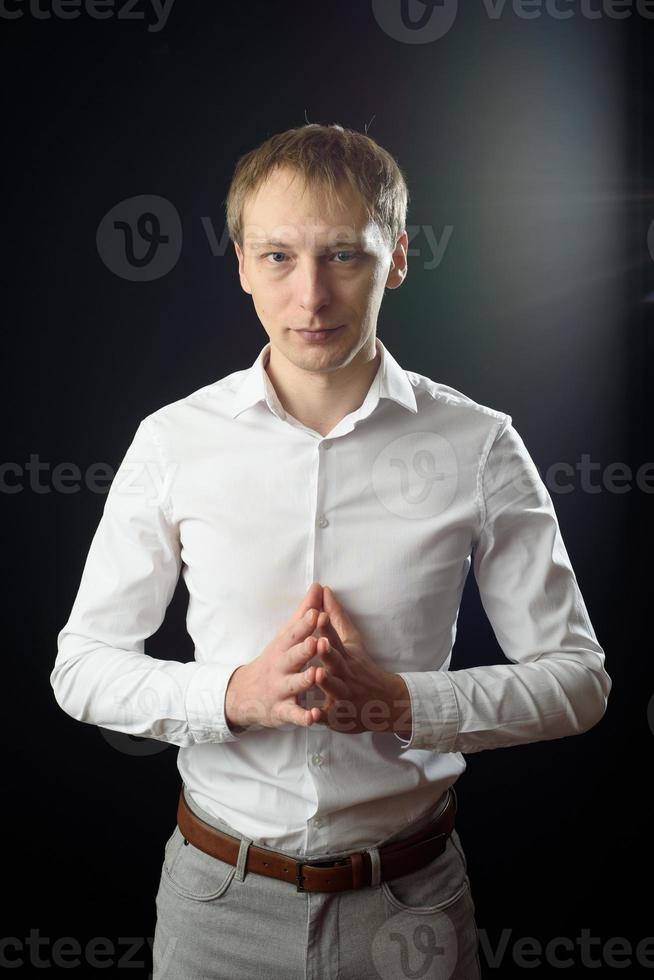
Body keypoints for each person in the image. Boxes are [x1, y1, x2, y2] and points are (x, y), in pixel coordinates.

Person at [51, 122, 612, 980]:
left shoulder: (481, 442)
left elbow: (579, 681)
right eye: (278, 256)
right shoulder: (171, 440)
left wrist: (400, 705)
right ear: (240, 263)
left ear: (397, 258)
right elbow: (80, 667)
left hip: (412, 910)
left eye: (343, 255)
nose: (310, 296)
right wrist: (234, 696)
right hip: (216, 909)